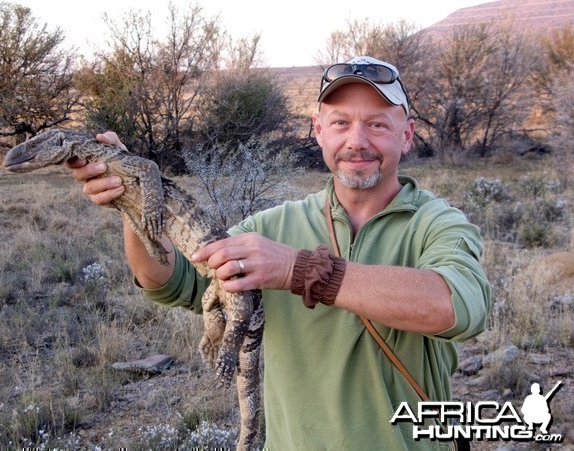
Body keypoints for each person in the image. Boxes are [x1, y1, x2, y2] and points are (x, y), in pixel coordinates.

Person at [67, 56, 491, 450]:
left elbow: (455, 307)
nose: (357, 141)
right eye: (340, 123)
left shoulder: (438, 224)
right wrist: (135, 204)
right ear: (319, 130)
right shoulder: (271, 227)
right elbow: (174, 282)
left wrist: (295, 268)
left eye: (377, 125)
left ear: (407, 135)